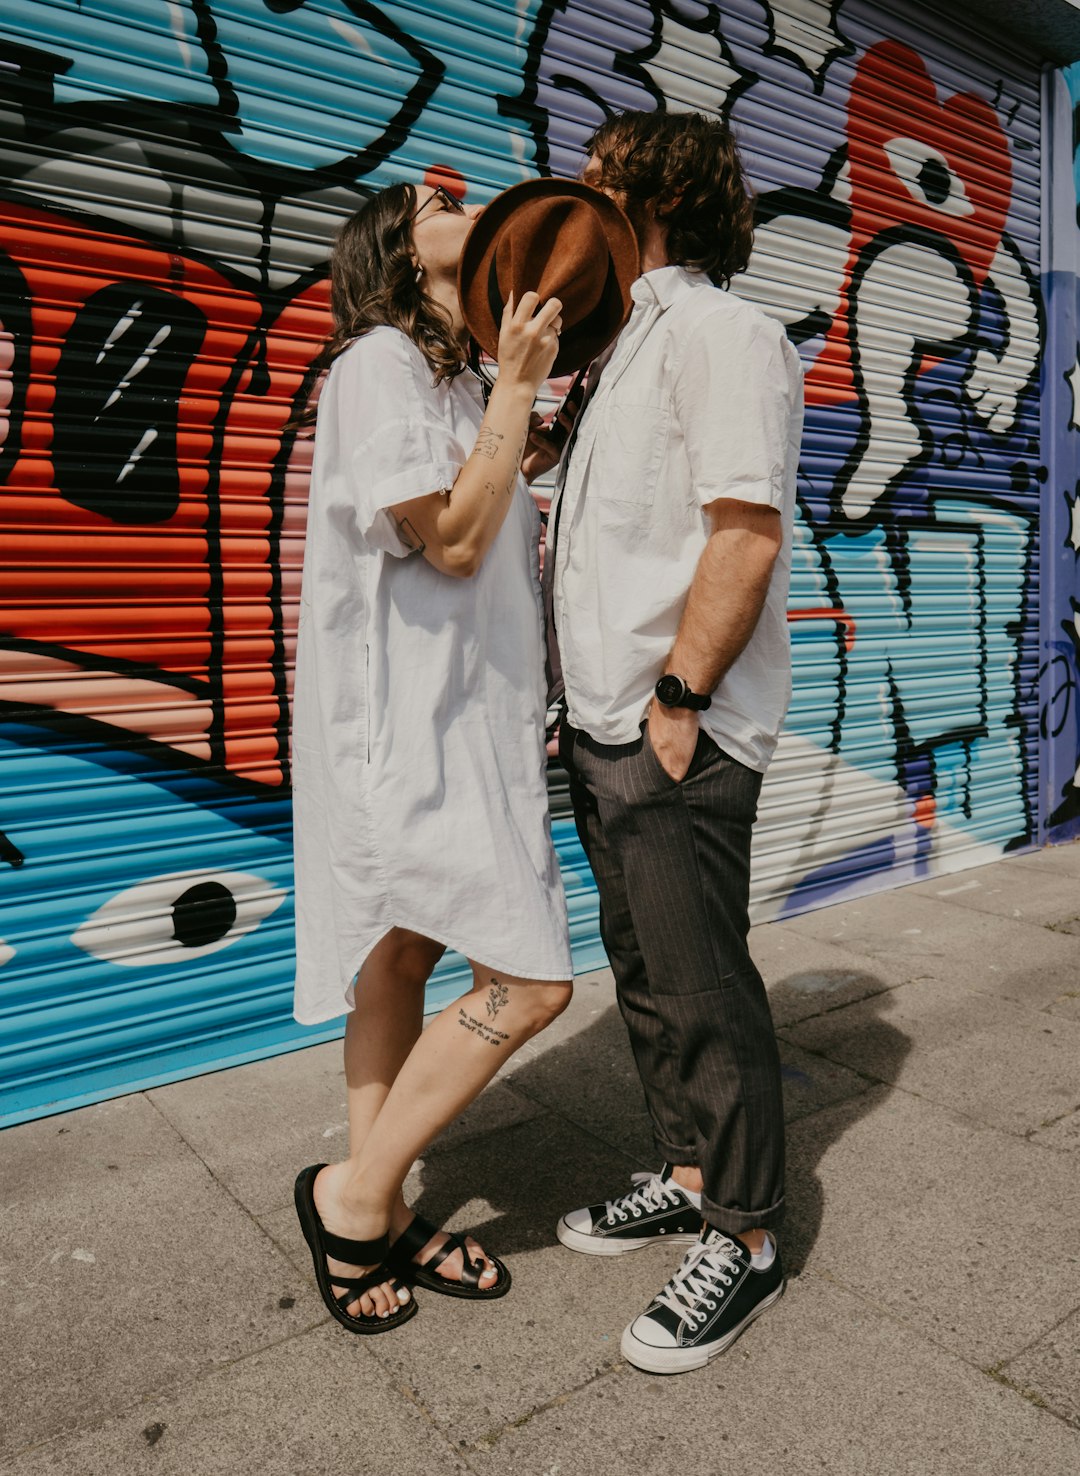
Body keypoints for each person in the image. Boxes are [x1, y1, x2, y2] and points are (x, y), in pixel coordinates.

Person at [541, 110, 805, 1374]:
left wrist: (682, 699)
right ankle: (690, 1168)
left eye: (596, 181)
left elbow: (743, 529)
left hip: (673, 723)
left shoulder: (723, 333)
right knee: (646, 976)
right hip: (604, 721)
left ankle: (746, 1235)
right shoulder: (617, 352)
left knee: (703, 989)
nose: (578, 196)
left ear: (651, 194)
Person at [289, 179, 576, 1334]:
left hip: (470, 720)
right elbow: (451, 543)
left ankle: (385, 1204)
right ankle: (352, 1198)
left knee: (401, 955)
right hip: (401, 732)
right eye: (433, 197)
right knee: (531, 981)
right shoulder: (377, 367)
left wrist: (517, 394)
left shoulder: (452, 380)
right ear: (395, 254)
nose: (462, 191)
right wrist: (515, 388)